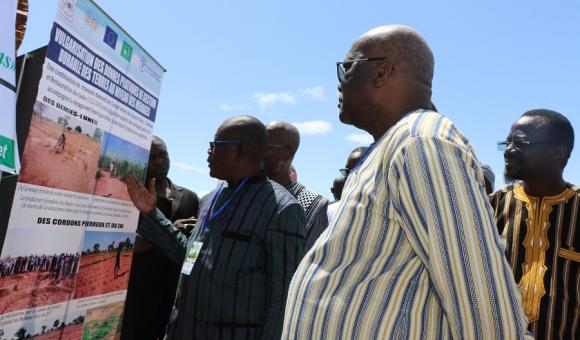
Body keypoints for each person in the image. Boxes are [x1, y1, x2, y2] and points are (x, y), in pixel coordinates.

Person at [282, 25, 531, 339]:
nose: (340, 84)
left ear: (381, 72)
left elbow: (480, 299)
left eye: (346, 69)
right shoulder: (391, 145)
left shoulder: (422, 142)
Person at [126, 115, 306, 339]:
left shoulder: (283, 209)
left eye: (215, 146)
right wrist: (150, 213)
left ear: (240, 151)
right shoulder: (211, 199)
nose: (209, 152)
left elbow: (283, 298)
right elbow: (191, 257)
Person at [490, 109, 578, 339]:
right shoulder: (491, 208)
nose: (508, 151)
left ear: (557, 153)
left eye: (519, 143)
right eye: (507, 143)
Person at [122, 136, 200, 340]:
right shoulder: (130, 197)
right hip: (137, 296)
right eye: (151, 156)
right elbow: (125, 245)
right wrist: (168, 231)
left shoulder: (190, 198)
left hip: (174, 296)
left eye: (163, 155)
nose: (159, 161)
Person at [264, 121, 329, 251]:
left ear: (287, 153)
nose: (256, 153)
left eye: (265, 147)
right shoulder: (245, 190)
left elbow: (311, 260)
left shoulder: (312, 203)